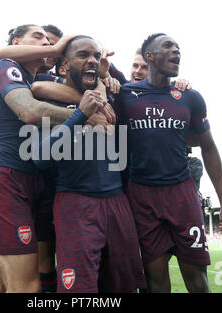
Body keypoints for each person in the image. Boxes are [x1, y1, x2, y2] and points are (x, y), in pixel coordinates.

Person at [0, 25, 102, 293]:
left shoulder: (38, 81)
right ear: (18, 42)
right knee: (26, 287)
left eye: (49, 39)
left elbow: (79, 84)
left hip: (35, 182)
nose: (46, 42)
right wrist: (84, 116)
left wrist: (108, 75)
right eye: (38, 36)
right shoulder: (8, 68)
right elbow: (29, 112)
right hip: (7, 179)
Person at [116, 33, 222, 293]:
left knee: (197, 280)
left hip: (181, 194)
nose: (176, 51)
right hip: (141, 196)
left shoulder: (190, 97)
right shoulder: (125, 95)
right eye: (168, 46)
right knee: (155, 282)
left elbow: (209, 147)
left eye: (178, 47)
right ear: (150, 56)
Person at [33, 36, 145, 293]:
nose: (92, 60)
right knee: (79, 291)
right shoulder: (50, 101)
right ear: (63, 67)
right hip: (75, 202)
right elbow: (39, 157)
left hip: (118, 202)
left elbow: (143, 94)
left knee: (123, 287)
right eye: (83, 55)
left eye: (96, 55)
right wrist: (79, 116)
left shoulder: (111, 96)